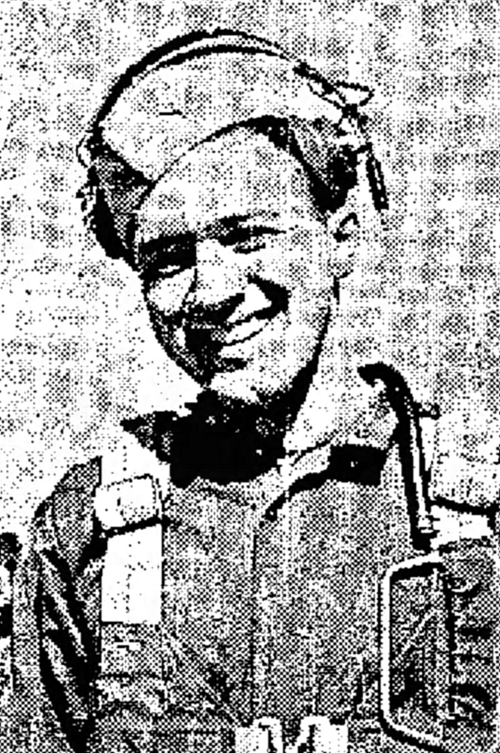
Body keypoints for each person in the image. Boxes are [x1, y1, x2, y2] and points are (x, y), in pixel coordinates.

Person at [7, 29, 498, 753]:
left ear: (341, 238)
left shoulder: (475, 510)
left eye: (245, 236)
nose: (210, 291)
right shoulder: (87, 528)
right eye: (167, 259)